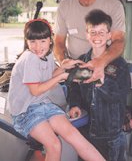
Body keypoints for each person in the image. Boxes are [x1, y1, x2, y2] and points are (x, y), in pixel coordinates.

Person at [7, 18, 105, 161]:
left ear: (50, 40)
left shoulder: (47, 56)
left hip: (43, 105)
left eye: (42, 41)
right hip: (25, 112)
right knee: (54, 145)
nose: (38, 46)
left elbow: (49, 76)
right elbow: (36, 90)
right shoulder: (29, 58)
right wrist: (63, 76)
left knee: (75, 136)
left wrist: (64, 66)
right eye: (32, 41)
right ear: (27, 42)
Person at [68, 9, 131, 161]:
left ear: (110, 35)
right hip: (85, 130)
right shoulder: (82, 62)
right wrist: (74, 104)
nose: (97, 37)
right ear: (87, 34)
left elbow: (120, 94)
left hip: (109, 134)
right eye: (93, 32)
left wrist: (102, 82)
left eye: (102, 32)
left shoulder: (120, 65)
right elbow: (74, 87)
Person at [54, 0, 125, 83]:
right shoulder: (64, 6)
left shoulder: (113, 5)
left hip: (105, 67)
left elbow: (118, 41)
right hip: (76, 70)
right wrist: (63, 61)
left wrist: (101, 61)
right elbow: (58, 42)